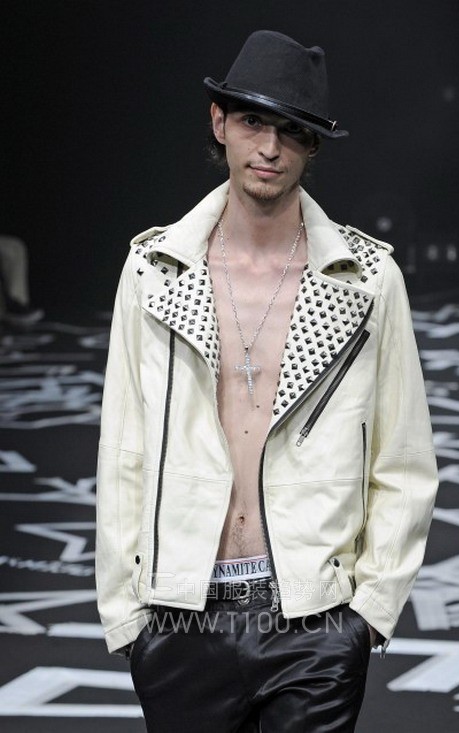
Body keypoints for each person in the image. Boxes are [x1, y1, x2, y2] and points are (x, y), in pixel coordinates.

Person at [96, 30, 438, 732]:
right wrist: (127, 615)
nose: (271, 147)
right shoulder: (153, 272)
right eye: (254, 121)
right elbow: (123, 449)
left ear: (313, 146)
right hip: (181, 614)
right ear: (218, 121)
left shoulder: (368, 281)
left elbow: (403, 459)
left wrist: (368, 614)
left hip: (313, 618)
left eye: (293, 130)